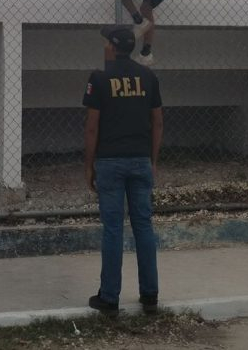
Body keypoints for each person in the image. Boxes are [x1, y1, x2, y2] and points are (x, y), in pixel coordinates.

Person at [82, 25, 164, 316]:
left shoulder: (100, 79)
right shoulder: (148, 77)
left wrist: (89, 165)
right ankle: (150, 295)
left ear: (112, 47)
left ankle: (110, 297)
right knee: (144, 226)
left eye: (105, 42)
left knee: (113, 229)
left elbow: (92, 127)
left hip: (110, 162)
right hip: (141, 160)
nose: (104, 46)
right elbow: (157, 123)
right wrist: (152, 161)